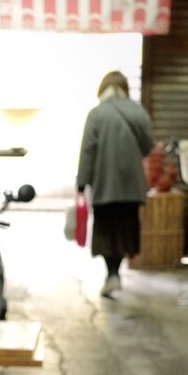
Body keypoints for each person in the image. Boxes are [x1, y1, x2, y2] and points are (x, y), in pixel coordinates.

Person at [76, 70, 154, 297]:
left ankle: (111, 274)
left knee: (105, 230)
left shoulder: (97, 114)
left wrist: (82, 183)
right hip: (132, 186)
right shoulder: (138, 112)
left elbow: (87, 151)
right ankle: (115, 273)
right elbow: (148, 145)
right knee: (125, 230)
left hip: (105, 184)